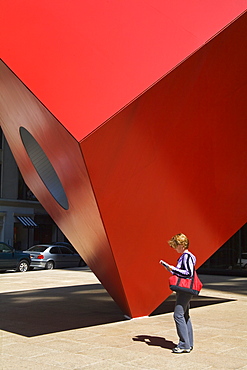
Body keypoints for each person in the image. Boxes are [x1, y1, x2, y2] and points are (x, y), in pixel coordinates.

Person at [160, 233, 196, 354]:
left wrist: (173, 269)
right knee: (185, 315)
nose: (175, 248)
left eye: (175, 246)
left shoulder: (186, 256)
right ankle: (188, 343)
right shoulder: (187, 256)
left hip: (185, 290)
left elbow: (188, 273)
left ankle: (184, 344)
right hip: (185, 289)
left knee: (178, 315)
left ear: (181, 245)